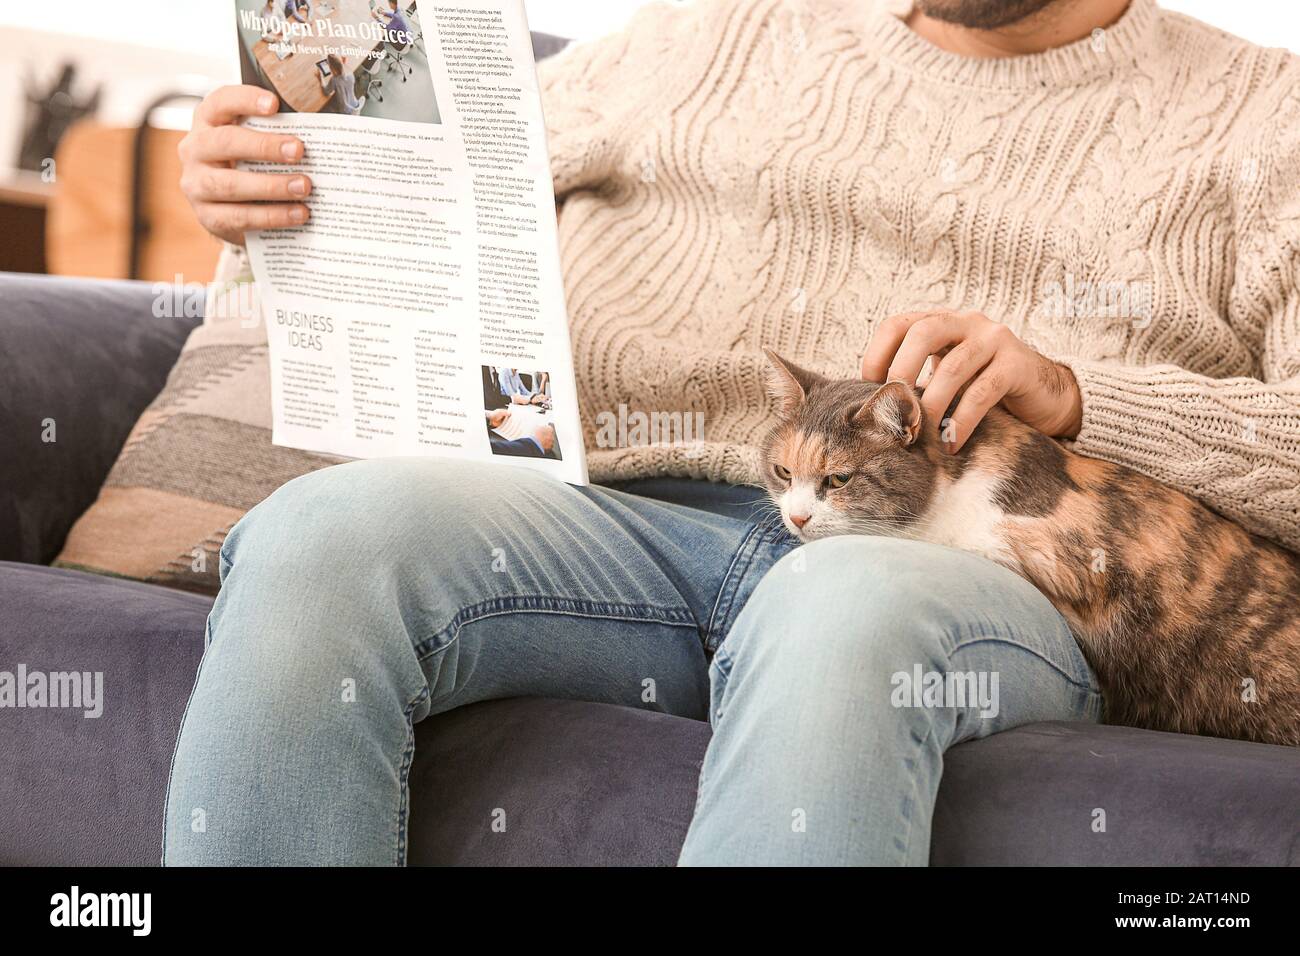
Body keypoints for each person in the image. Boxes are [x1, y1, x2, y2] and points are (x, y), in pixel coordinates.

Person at [169, 0, 1300, 865]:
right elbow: (421, 206)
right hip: (620, 520)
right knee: (326, 536)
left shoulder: (1267, 113)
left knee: (837, 604)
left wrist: (1078, 395)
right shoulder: (712, 31)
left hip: (977, 565)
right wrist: (274, 191)